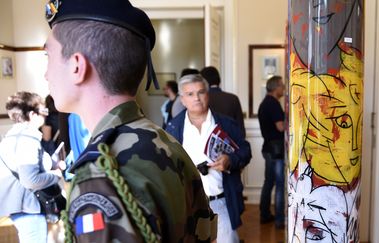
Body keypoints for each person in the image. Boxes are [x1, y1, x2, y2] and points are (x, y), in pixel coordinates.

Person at [43, 0, 216, 242]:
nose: (46, 73)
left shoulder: (100, 175)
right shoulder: (166, 142)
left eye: (47, 55)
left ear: (77, 66)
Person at [166, 74, 252, 243]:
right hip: (188, 205)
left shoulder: (226, 124)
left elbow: (246, 151)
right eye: (190, 94)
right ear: (182, 99)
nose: (196, 98)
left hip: (220, 200)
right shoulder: (173, 128)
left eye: (200, 92)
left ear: (208, 95)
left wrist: (230, 160)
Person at [0, 91, 63, 243]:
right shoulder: (27, 141)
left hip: (19, 205)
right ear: (32, 115)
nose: (46, 115)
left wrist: (51, 164)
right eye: (44, 111)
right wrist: (57, 174)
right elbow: (30, 180)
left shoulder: (14, 136)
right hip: (28, 207)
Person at [257, 75, 285, 229]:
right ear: (275, 87)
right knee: (279, 184)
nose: (284, 88)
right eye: (282, 85)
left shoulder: (265, 103)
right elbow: (280, 127)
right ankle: (280, 220)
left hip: (268, 148)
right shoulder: (273, 104)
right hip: (276, 151)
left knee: (268, 182)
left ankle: (265, 215)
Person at [200, 66, 245, 137]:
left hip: (209, 142)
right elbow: (240, 129)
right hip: (232, 141)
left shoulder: (201, 99)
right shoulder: (233, 98)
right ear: (219, 79)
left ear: (203, 82)